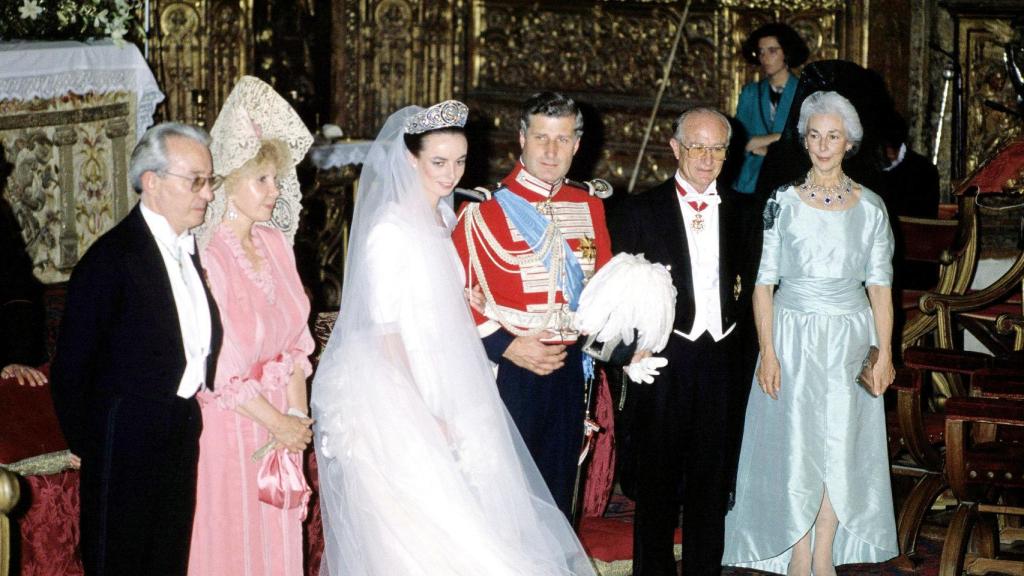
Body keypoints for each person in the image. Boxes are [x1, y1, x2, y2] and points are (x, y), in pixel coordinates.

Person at [311, 100, 596, 575]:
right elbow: (386, 335)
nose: (450, 173)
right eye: (438, 162)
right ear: (410, 159)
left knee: (483, 512)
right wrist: (425, 413)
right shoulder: (389, 232)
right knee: (428, 527)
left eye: (459, 161)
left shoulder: (447, 218)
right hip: (406, 385)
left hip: (455, 372)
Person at [723, 91, 899, 575]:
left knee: (839, 451)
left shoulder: (871, 209)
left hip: (849, 336)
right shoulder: (782, 202)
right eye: (815, 136)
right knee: (795, 449)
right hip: (792, 335)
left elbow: (880, 289)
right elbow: (762, 285)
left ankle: (824, 555)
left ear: (849, 143)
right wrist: (768, 352)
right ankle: (797, 552)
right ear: (805, 141)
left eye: (834, 136)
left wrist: (884, 354)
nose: (823, 146)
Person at [50, 122, 224, 575]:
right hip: (125, 438)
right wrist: (98, 445)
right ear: (152, 182)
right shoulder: (112, 259)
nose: (207, 194)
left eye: (210, 181)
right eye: (196, 181)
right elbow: (72, 367)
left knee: (167, 562)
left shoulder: (185, 249)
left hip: (177, 430)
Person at [608, 107, 762, 576]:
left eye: (718, 148)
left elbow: (756, 285)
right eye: (697, 146)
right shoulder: (638, 209)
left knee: (711, 485)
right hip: (664, 357)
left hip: (724, 358)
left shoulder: (745, 212)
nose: (707, 157)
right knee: (656, 483)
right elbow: (616, 292)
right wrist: (626, 354)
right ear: (675, 148)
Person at [451, 91, 612, 517]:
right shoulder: (482, 208)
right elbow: (448, 295)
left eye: (562, 139)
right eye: (541, 137)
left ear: (577, 144)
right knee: (501, 500)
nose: (551, 150)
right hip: (507, 371)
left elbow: (605, 289)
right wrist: (506, 345)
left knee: (556, 498)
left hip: (568, 371)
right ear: (521, 138)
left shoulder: (589, 205)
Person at [187, 76, 315, 576]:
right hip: (230, 427)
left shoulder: (276, 244)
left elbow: (298, 347)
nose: (274, 190)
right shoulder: (207, 256)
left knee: (276, 543)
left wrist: (297, 419)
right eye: (261, 179)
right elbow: (220, 369)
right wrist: (277, 422)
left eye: (277, 179)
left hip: (282, 421)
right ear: (228, 182)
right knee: (232, 546)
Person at [734, 22, 809, 196]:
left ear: (787, 53)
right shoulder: (750, 92)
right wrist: (779, 138)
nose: (765, 58)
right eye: (761, 52)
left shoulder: (803, 92)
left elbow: (804, 143)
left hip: (791, 182)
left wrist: (765, 148)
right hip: (750, 183)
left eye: (772, 51)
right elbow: (741, 141)